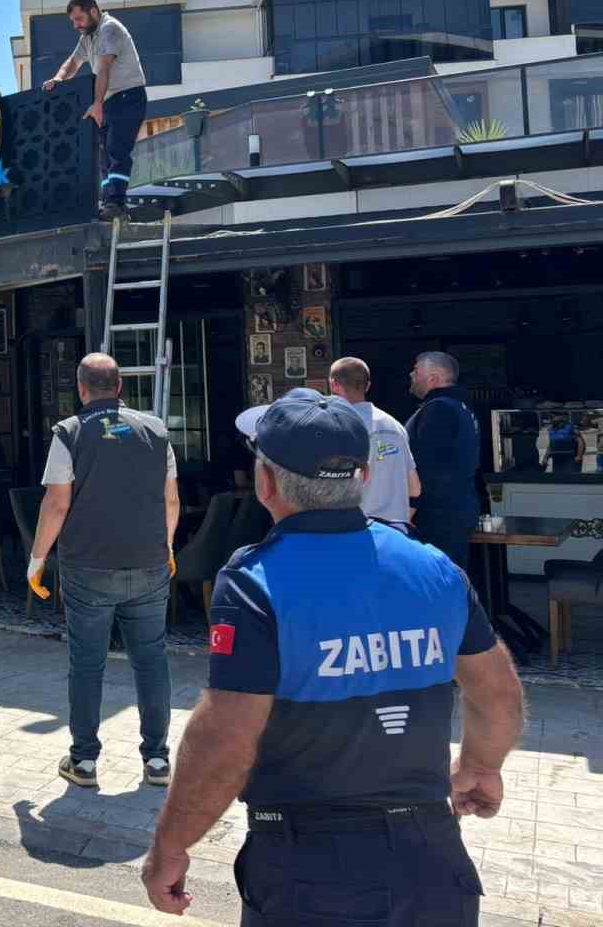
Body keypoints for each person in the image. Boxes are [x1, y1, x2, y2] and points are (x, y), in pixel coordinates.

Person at [140, 388, 525, 924]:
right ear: (363, 477)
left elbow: (226, 737)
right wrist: (481, 767)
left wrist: (171, 845)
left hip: (311, 868)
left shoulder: (255, 582)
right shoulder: (434, 567)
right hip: (433, 861)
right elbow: (498, 691)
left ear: (265, 481)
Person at [27, 352, 180, 788]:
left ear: (81, 388)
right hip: (150, 563)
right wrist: (167, 546)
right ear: (118, 388)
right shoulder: (156, 431)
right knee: (152, 662)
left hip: (88, 568)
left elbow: (56, 503)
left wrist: (37, 561)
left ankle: (85, 761)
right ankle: (157, 761)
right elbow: (171, 500)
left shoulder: (70, 433)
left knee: (88, 663)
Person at [39, 0, 148, 220]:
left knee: (117, 148)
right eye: (73, 21)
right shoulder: (87, 37)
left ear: (94, 11)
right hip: (109, 100)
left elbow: (104, 68)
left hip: (128, 96)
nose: (76, 25)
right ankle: (109, 202)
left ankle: (116, 204)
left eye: (79, 19)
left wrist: (97, 104)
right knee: (104, 155)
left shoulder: (109, 29)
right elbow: (73, 62)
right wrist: (59, 78)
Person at [406, 351, 481, 570]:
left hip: (438, 515)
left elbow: (430, 466)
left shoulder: (439, 409)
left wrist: (412, 507)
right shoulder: (461, 407)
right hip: (458, 507)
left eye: (416, 370)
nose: (411, 375)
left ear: (434, 378)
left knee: (439, 580)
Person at [328, 355, 420, 530]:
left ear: (334, 385)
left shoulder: (335, 427)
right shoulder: (395, 426)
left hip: (355, 532)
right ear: (368, 385)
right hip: (396, 532)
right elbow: (415, 489)